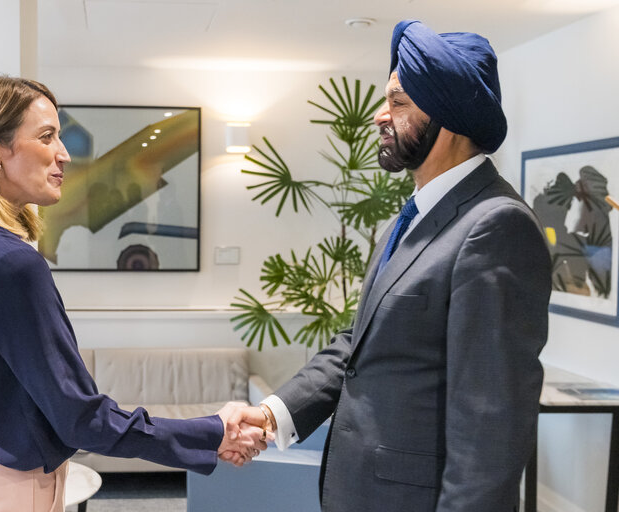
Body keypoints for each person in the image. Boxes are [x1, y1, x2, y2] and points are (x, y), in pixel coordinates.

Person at [228, 20, 552, 512]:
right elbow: (359, 347)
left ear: (447, 115)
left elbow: (490, 423)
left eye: (398, 102)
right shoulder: (411, 217)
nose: (380, 117)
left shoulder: (496, 226)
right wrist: (273, 413)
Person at [0, 75, 266, 512]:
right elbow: (80, 417)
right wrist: (213, 432)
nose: (63, 154)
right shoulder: (12, 263)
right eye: (46, 137)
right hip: (12, 492)